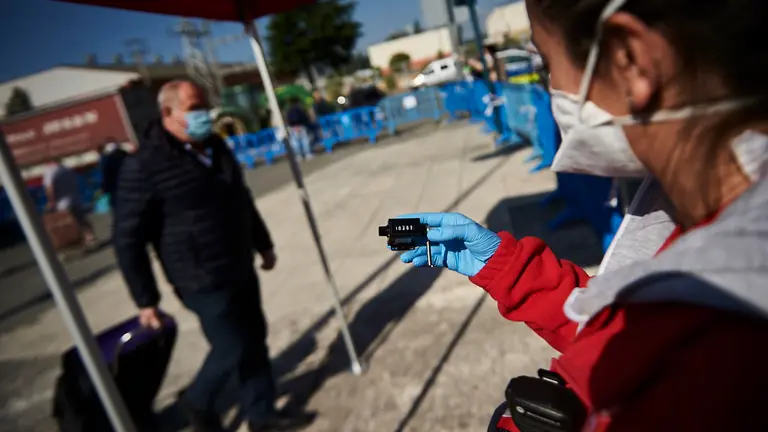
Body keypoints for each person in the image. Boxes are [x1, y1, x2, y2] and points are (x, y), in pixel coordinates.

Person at [398, 0, 768, 430]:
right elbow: (619, 330)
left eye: (547, 64)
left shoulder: (720, 345)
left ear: (630, 60)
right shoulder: (709, 219)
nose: (550, 89)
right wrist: (504, 267)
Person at [113, 80, 313, 432]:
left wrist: (263, 244)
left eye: (205, 106)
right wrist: (146, 300)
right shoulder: (144, 165)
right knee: (232, 346)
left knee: (254, 339)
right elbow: (127, 238)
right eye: (194, 109)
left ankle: (261, 414)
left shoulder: (216, 146)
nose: (204, 115)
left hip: (238, 263)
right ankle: (197, 400)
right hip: (199, 276)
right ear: (168, 113)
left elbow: (241, 198)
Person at [43, 158, 97, 247]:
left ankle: (75, 243)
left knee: (68, 225)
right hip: (75, 199)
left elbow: (50, 188)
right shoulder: (67, 169)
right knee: (81, 219)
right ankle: (90, 238)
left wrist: (51, 202)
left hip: (62, 203)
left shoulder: (49, 171)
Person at [98, 138, 128, 211]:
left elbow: (106, 177)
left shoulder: (107, 160)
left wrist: (104, 189)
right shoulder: (124, 155)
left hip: (117, 190)